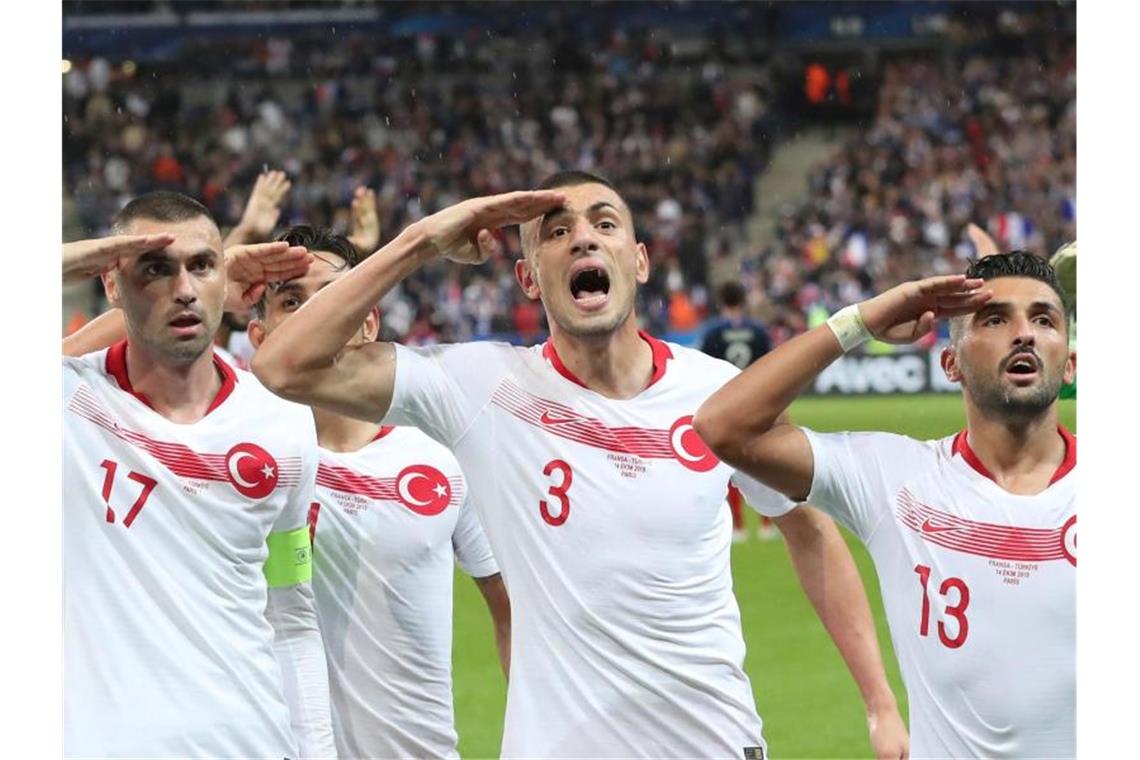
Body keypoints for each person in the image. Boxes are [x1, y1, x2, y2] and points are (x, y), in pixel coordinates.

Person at [253, 172, 907, 759]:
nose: (583, 240)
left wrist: (880, 703)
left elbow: (810, 529)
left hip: (716, 744)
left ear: (640, 260)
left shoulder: (718, 395)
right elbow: (284, 365)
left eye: (604, 223)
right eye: (556, 231)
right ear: (528, 277)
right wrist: (423, 239)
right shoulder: (483, 387)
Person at [694, 252, 1075, 758]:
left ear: (1070, 362)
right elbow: (723, 427)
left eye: (1043, 319)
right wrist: (862, 320)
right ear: (950, 362)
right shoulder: (896, 478)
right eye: (995, 318)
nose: (1023, 333)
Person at [61, 191, 336, 758]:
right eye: (156, 270)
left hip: (253, 744)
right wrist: (79, 257)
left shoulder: (282, 424)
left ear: (225, 280)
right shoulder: (64, 401)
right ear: (111, 284)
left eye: (202, 266)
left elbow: (290, 610)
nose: (184, 289)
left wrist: (319, 750)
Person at [246, 224, 512, 759]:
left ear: (367, 321)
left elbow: (511, 614)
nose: (313, 319)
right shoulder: (243, 464)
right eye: (292, 302)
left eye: (332, 299)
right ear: (260, 336)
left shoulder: (442, 456)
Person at [700, 281, 776, 542]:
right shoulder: (757, 330)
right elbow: (770, 366)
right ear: (743, 300)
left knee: (729, 460)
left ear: (721, 301)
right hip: (756, 400)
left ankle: (739, 526)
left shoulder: (713, 332)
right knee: (764, 459)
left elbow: (705, 368)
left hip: (726, 401)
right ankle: (768, 523)